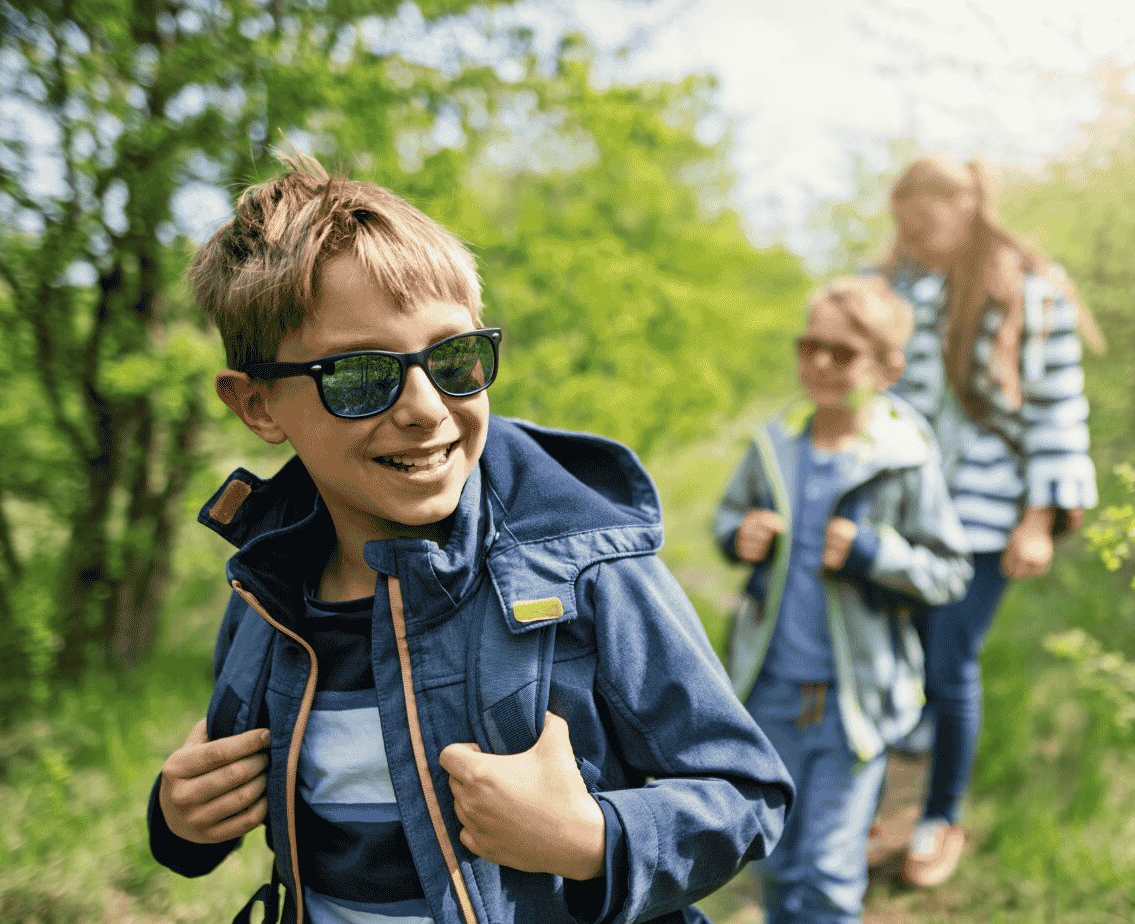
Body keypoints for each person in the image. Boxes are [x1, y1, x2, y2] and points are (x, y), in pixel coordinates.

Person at [145, 153, 792, 924]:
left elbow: (747, 793)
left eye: (454, 360)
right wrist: (180, 822)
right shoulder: (268, 590)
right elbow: (244, 802)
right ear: (258, 405)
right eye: (360, 376)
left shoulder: (584, 566)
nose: (425, 407)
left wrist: (592, 839)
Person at [714, 276, 972, 922]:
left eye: (843, 352)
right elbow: (729, 517)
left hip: (851, 702)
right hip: (767, 691)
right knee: (775, 859)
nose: (820, 364)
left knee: (828, 872)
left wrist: (873, 554)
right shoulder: (774, 444)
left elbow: (949, 571)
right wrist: (740, 536)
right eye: (810, 346)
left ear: (888, 368)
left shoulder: (906, 459)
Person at [879, 156, 1104, 888]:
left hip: (981, 514)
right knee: (895, 657)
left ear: (974, 202)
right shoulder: (891, 286)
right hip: (899, 510)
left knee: (949, 664)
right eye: (908, 198)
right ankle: (888, 802)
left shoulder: (1029, 287)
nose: (920, 213)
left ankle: (940, 818)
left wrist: (1038, 520)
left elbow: (1057, 408)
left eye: (939, 197)